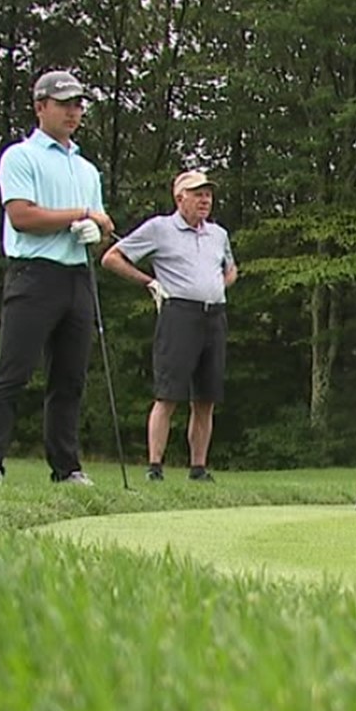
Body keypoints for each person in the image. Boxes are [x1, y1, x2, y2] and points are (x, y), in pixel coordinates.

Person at [0, 69, 116, 483]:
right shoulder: (21, 157)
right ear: (40, 107)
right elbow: (22, 216)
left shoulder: (87, 170)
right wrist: (81, 215)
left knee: (69, 378)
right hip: (34, 275)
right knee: (14, 371)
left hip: (77, 277)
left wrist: (99, 228)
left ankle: (66, 467)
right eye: (65, 103)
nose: (74, 112)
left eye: (78, 104)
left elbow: (101, 220)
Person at [101, 169, 238, 482]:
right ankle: (155, 467)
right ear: (180, 198)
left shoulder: (218, 234)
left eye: (208, 194)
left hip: (214, 316)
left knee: (206, 398)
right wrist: (150, 282)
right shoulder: (160, 228)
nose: (205, 200)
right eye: (197, 194)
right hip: (179, 314)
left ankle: (199, 468)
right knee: (168, 394)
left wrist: (219, 284)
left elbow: (231, 270)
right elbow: (112, 257)